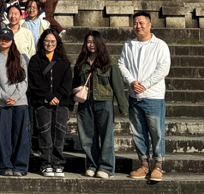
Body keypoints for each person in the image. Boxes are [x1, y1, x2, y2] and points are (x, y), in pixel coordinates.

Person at [118, 12, 170, 181]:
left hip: (153, 96)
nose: (138, 26)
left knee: (157, 132)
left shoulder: (160, 45)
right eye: (135, 23)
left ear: (149, 24)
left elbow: (163, 68)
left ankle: (158, 165)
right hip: (134, 96)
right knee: (138, 132)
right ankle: (144, 164)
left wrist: (145, 84)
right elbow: (121, 64)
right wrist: (132, 81)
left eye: (141, 23)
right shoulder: (129, 45)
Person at [75, 31, 128, 179]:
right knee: (87, 136)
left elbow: (117, 86)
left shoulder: (109, 63)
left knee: (106, 136)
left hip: (104, 102)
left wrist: (123, 106)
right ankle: (92, 165)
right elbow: (75, 84)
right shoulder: (81, 62)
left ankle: (106, 167)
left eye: (93, 42)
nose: (91, 45)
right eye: (88, 42)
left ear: (99, 43)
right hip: (85, 103)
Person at [28, 30, 73, 177]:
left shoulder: (64, 61)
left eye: (53, 41)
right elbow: (35, 81)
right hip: (42, 102)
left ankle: (58, 163)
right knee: (45, 133)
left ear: (57, 43)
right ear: (42, 41)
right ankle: (46, 163)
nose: (49, 44)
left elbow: (67, 82)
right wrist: (48, 96)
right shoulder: (35, 60)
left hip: (61, 102)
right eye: (47, 41)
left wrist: (58, 96)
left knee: (59, 133)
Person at [0, 28, 30, 176]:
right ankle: (5, 166)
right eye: (2, 38)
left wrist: (16, 97)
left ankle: (20, 166)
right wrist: (5, 97)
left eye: (7, 39)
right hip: (0, 102)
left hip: (20, 102)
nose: (4, 41)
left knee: (21, 135)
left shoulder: (20, 57)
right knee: (3, 135)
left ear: (12, 41)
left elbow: (24, 80)